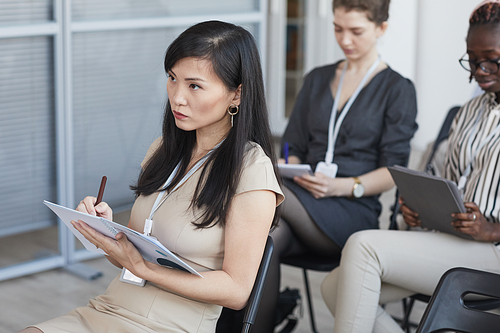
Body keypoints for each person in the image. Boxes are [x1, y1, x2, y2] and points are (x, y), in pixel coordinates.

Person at [21, 20, 284, 333]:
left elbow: (236, 292)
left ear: (236, 95)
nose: (177, 97)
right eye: (172, 79)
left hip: (170, 325)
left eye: (194, 85)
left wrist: (141, 267)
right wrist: (107, 233)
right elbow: (128, 254)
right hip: (109, 308)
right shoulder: (163, 150)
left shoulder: (251, 172)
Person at [320, 1, 500, 332]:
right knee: (334, 286)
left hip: (493, 252)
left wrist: (492, 229)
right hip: (453, 242)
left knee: (363, 246)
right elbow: (449, 182)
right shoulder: (471, 110)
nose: (480, 70)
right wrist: (422, 208)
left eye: (492, 59)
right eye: (472, 61)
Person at [246, 0, 418, 331]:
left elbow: (394, 171)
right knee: (268, 238)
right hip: (301, 196)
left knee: (263, 187)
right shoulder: (317, 79)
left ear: (381, 29)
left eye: (356, 31)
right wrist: (294, 166)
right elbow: (292, 145)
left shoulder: (397, 89)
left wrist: (344, 186)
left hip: (351, 210)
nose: (345, 40)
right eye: (338, 29)